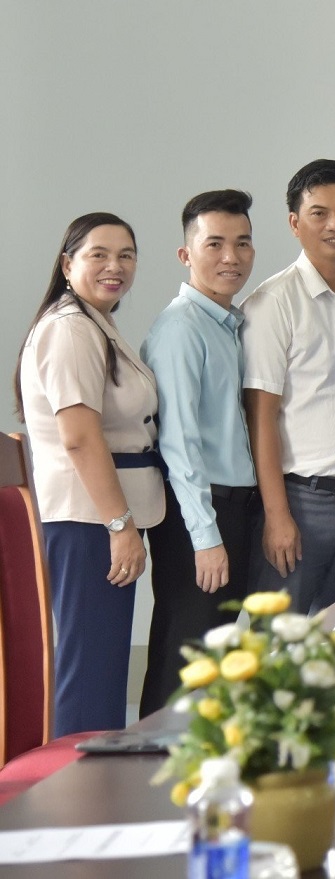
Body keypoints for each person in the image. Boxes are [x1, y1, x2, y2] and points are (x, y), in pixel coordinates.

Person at [14, 214, 163, 734]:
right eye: (98, 254)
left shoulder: (93, 322)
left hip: (98, 517)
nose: (114, 266)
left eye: (126, 255)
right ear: (67, 263)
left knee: (99, 667)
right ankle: (75, 798)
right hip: (88, 522)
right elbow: (79, 436)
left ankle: (92, 793)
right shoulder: (70, 329)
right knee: (89, 673)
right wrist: (119, 526)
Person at [242, 159, 335, 613]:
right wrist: (277, 515)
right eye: (319, 213)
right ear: (294, 223)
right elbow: (260, 416)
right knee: (280, 648)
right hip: (304, 502)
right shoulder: (271, 303)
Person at [139, 190, 262, 716]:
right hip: (200, 515)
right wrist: (206, 538)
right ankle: (150, 782)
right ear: (186, 254)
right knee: (182, 662)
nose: (231, 257)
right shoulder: (181, 330)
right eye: (215, 244)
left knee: (211, 660)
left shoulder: (226, 326)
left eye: (242, 243)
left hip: (231, 507)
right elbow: (180, 444)